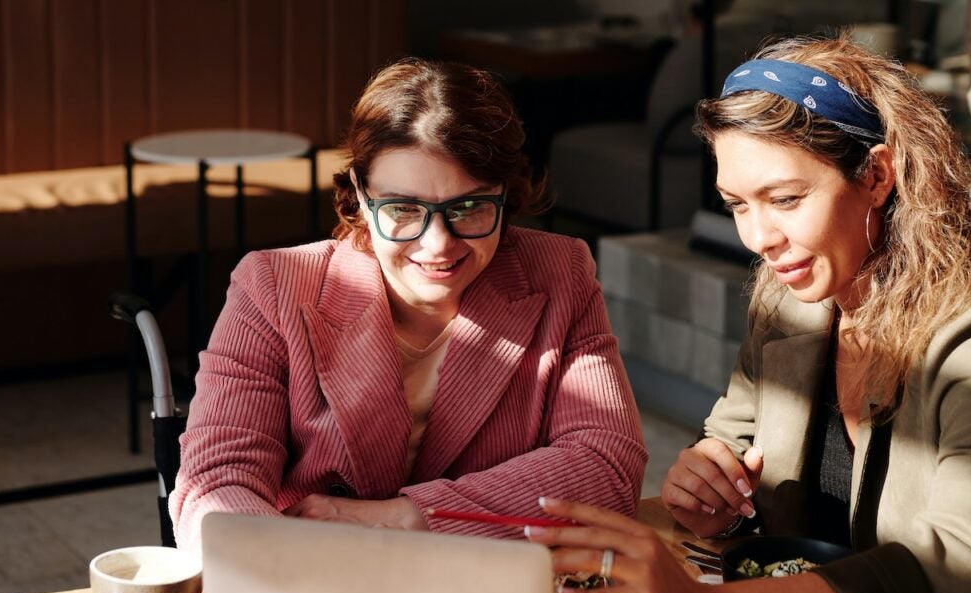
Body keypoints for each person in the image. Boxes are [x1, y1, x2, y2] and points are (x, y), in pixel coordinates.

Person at [527, 34, 971, 593]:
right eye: (737, 205)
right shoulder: (792, 302)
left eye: (787, 199)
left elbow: (967, 561)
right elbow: (732, 439)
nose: (759, 238)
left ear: (876, 176)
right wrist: (712, 484)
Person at [169, 58, 647, 551]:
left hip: (486, 589)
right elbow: (215, 481)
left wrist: (409, 517)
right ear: (359, 191)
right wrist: (282, 560)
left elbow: (607, 466)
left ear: (507, 194)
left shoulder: (560, 271)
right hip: (317, 581)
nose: (438, 244)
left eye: (469, 207)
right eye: (402, 208)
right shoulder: (273, 286)